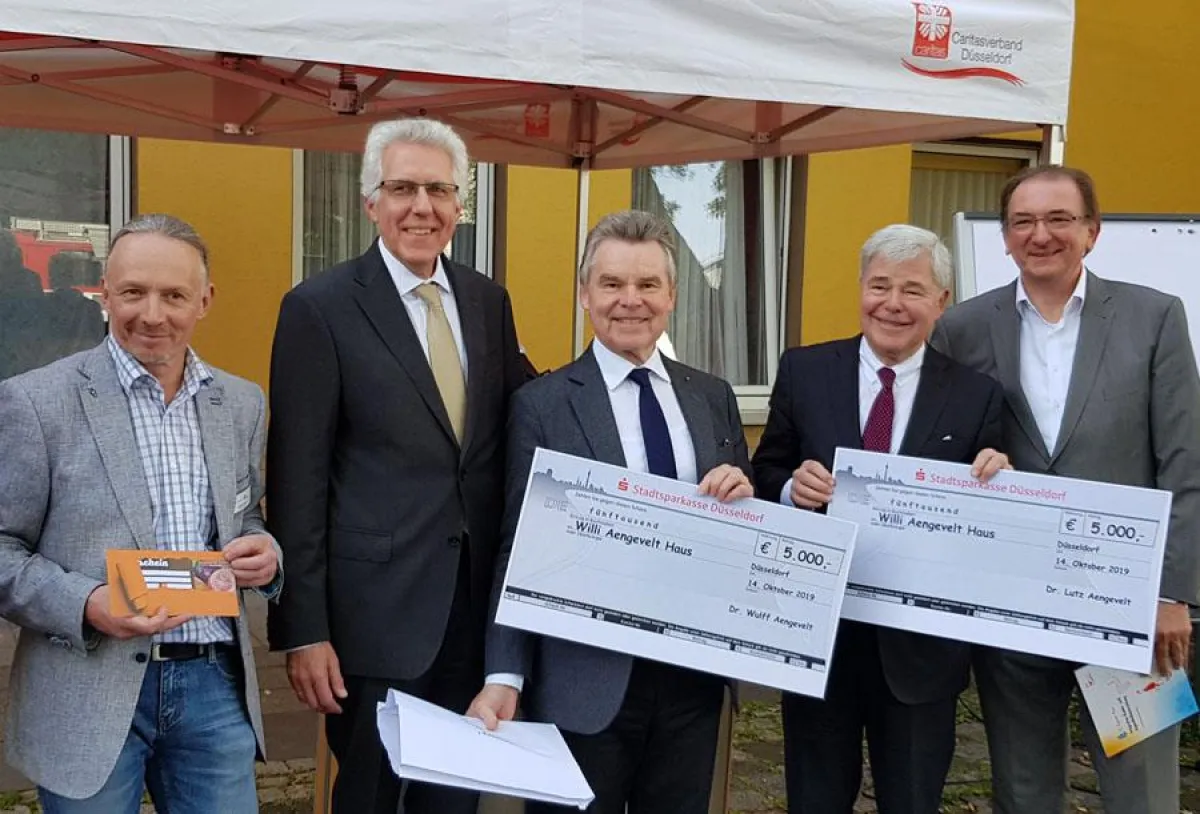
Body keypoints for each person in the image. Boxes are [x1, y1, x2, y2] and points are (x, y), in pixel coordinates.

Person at [266, 117, 529, 814]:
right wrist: (304, 630)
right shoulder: (318, 309)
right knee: (369, 797)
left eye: (439, 190)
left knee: (454, 800)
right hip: (370, 622)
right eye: (403, 188)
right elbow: (296, 481)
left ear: (460, 205)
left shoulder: (488, 301)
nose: (422, 207)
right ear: (371, 202)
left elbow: (524, 418)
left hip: (471, 618)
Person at [932, 165, 1200, 814]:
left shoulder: (1154, 317)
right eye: (1023, 221)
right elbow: (942, 449)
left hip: (1129, 604)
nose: (1041, 234)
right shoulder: (962, 328)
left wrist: (1174, 596)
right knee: (1023, 790)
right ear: (1005, 237)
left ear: (1091, 231)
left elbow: (1185, 461)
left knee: (1143, 791)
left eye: (1059, 219)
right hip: (1013, 604)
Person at [468, 209, 753, 814]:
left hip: (691, 683)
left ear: (672, 295)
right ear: (584, 294)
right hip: (582, 684)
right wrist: (505, 675)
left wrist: (743, 497)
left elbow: (741, 532)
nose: (630, 300)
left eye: (648, 284)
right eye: (612, 283)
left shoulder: (713, 397)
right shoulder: (541, 406)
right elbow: (518, 546)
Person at [0, 213, 281, 813]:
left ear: (204, 301)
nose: (152, 314)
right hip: (86, 685)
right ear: (104, 292)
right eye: (133, 292)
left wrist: (265, 552)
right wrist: (85, 603)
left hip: (213, 683)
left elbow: (246, 518)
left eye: (173, 295)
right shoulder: (36, 402)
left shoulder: (240, 402)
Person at [752, 224, 1009, 814]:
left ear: (941, 301)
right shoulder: (805, 370)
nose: (892, 304)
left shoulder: (977, 395)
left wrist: (999, 482)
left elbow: (986, 524)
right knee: (815, 801)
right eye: (879, 286)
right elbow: (765, 470)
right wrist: (791, 488)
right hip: (818, 635)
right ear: (861, 289)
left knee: (912, 801)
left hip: (920, 653)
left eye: (912, 290)